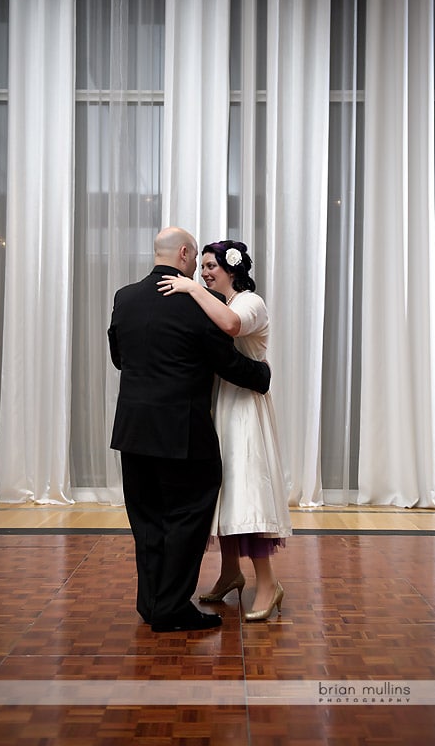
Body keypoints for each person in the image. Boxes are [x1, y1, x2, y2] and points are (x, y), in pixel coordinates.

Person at [108, 227, 271, 633]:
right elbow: (226, 363)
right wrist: (262, 374)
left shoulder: (124, 297)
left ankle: (151, 604)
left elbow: (119, 357)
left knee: (146, 523)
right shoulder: (202, 303)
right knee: (186, 520)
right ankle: (172, 609)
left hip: (133, 431)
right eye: (196, 259)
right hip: (183, 434)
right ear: (183, 254)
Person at [158, 240, 291, 622]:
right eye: (201, 266)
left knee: (248, 492)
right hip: (220, 406)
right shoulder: (216, 302)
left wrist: (192, 288)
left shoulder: (249, 302)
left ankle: (267, 584)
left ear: (233, 269)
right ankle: (230, 572)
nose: (204, 272)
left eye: (211, 265)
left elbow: (232, 327)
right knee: (224, 490)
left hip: (245, 409)